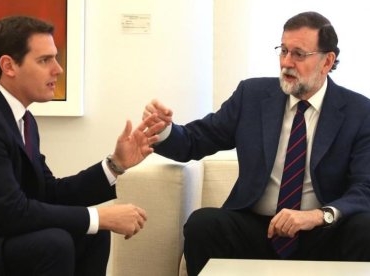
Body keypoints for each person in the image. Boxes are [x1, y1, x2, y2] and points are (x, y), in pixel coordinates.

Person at [143, 11, 370, 276]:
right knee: (203, 224)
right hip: (257, 229)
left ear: (327, 61)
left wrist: (319, 216)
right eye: (283, 51)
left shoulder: (359, 112)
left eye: (299, 54)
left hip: (322, 232)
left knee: (365, 228)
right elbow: (196, 140)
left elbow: (365, 187)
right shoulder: (251, 96)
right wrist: (164, 131)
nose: (286, 62)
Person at [0, 16, 165, 276]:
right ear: (9, 66)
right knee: (57, 242)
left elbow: (48, 192)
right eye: (45, 60)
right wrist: (99, 217)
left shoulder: (22, 117)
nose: (58, 69)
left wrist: (115, 165)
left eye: (55, 58)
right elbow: (10, 211)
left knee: (91, 234)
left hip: (8, 234)